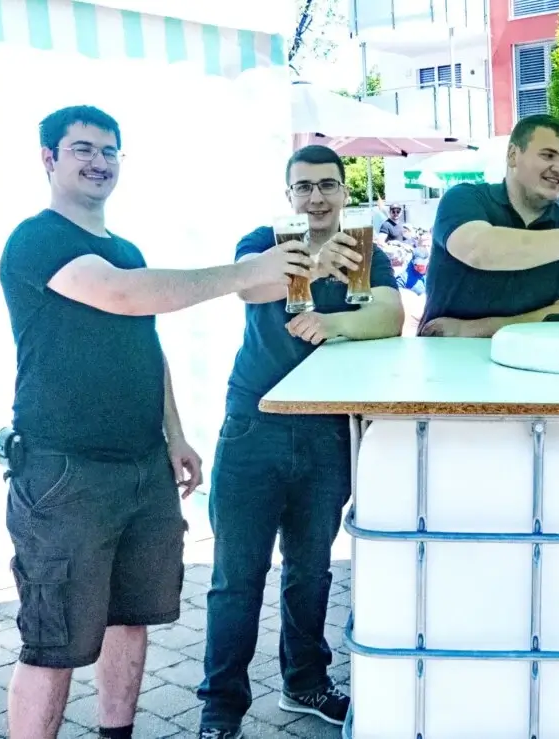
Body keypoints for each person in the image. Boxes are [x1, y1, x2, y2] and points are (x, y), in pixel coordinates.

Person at [0, 105, 308, 739]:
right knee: (53, 641)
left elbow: (145, 343)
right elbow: (124, 294)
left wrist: (174, 434)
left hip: (142, 466)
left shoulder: (126, 249)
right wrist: (251, 272)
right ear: (48, 159)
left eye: (110, 150)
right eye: (83, 148)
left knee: (130, 617)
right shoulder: (36, 239)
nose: (99, 161)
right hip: (63, 472)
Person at [197, 145, 404, 739]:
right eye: (304, 186)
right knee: (237, 577)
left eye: (327, 185)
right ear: (288, 194)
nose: (316, 197)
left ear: (344, 191)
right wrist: (314, 261)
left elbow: (390, 316)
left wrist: (334, 323)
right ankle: (220, 710)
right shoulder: (264, 241)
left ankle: (306, 683)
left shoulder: (365, 248)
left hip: (327, 428)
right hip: (254, 423)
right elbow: (250, 288)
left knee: (311, 572)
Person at [418, 114, 559, 337]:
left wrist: (470, 330)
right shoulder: (465, 198)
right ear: (512, 155)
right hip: (448, 355)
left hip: (528, 357)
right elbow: (478, 249)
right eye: (548, 155)